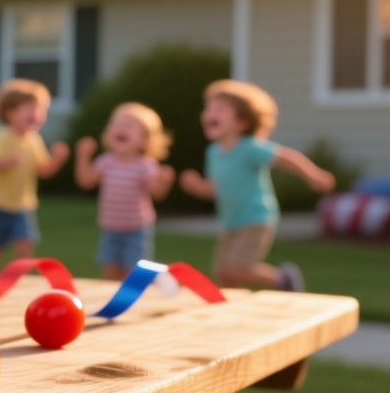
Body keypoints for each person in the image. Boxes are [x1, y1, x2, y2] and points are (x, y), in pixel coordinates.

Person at [178, 80, 335, 291]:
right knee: (223, 273)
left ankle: (282, 280)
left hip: (255, 218)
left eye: (219, 109)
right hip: (231, 222)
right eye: (208, 108)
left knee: (236, 268)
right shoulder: (213, 152)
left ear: (242, 122)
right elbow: (215, 189)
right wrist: (196, 186)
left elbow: (284, 157)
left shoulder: (249, 147)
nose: (209, 113)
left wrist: (312, 174)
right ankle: (237, 305)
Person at [0, 78, 70, 272]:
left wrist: (57, 160)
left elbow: (43, 170)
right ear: (10, 112)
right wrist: (8, 162)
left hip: (23, 206)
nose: (38, 113)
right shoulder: (3, 136)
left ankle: (16, 279)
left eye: (41, 109)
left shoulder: (34, 140)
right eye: (31, 108)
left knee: (25, 244)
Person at [74, 102, 177, 280]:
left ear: (144, 139)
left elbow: (157, 193)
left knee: (133, 273)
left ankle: (152, 283)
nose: (121, 128)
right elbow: (85, 182)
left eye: (129, 125)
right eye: (117, 124)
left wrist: (165, 181)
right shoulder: (106, 161)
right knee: (110, 273)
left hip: (136, 229)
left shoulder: (145, 165)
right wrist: (82, 156)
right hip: (110, 228)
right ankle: (115, 298)